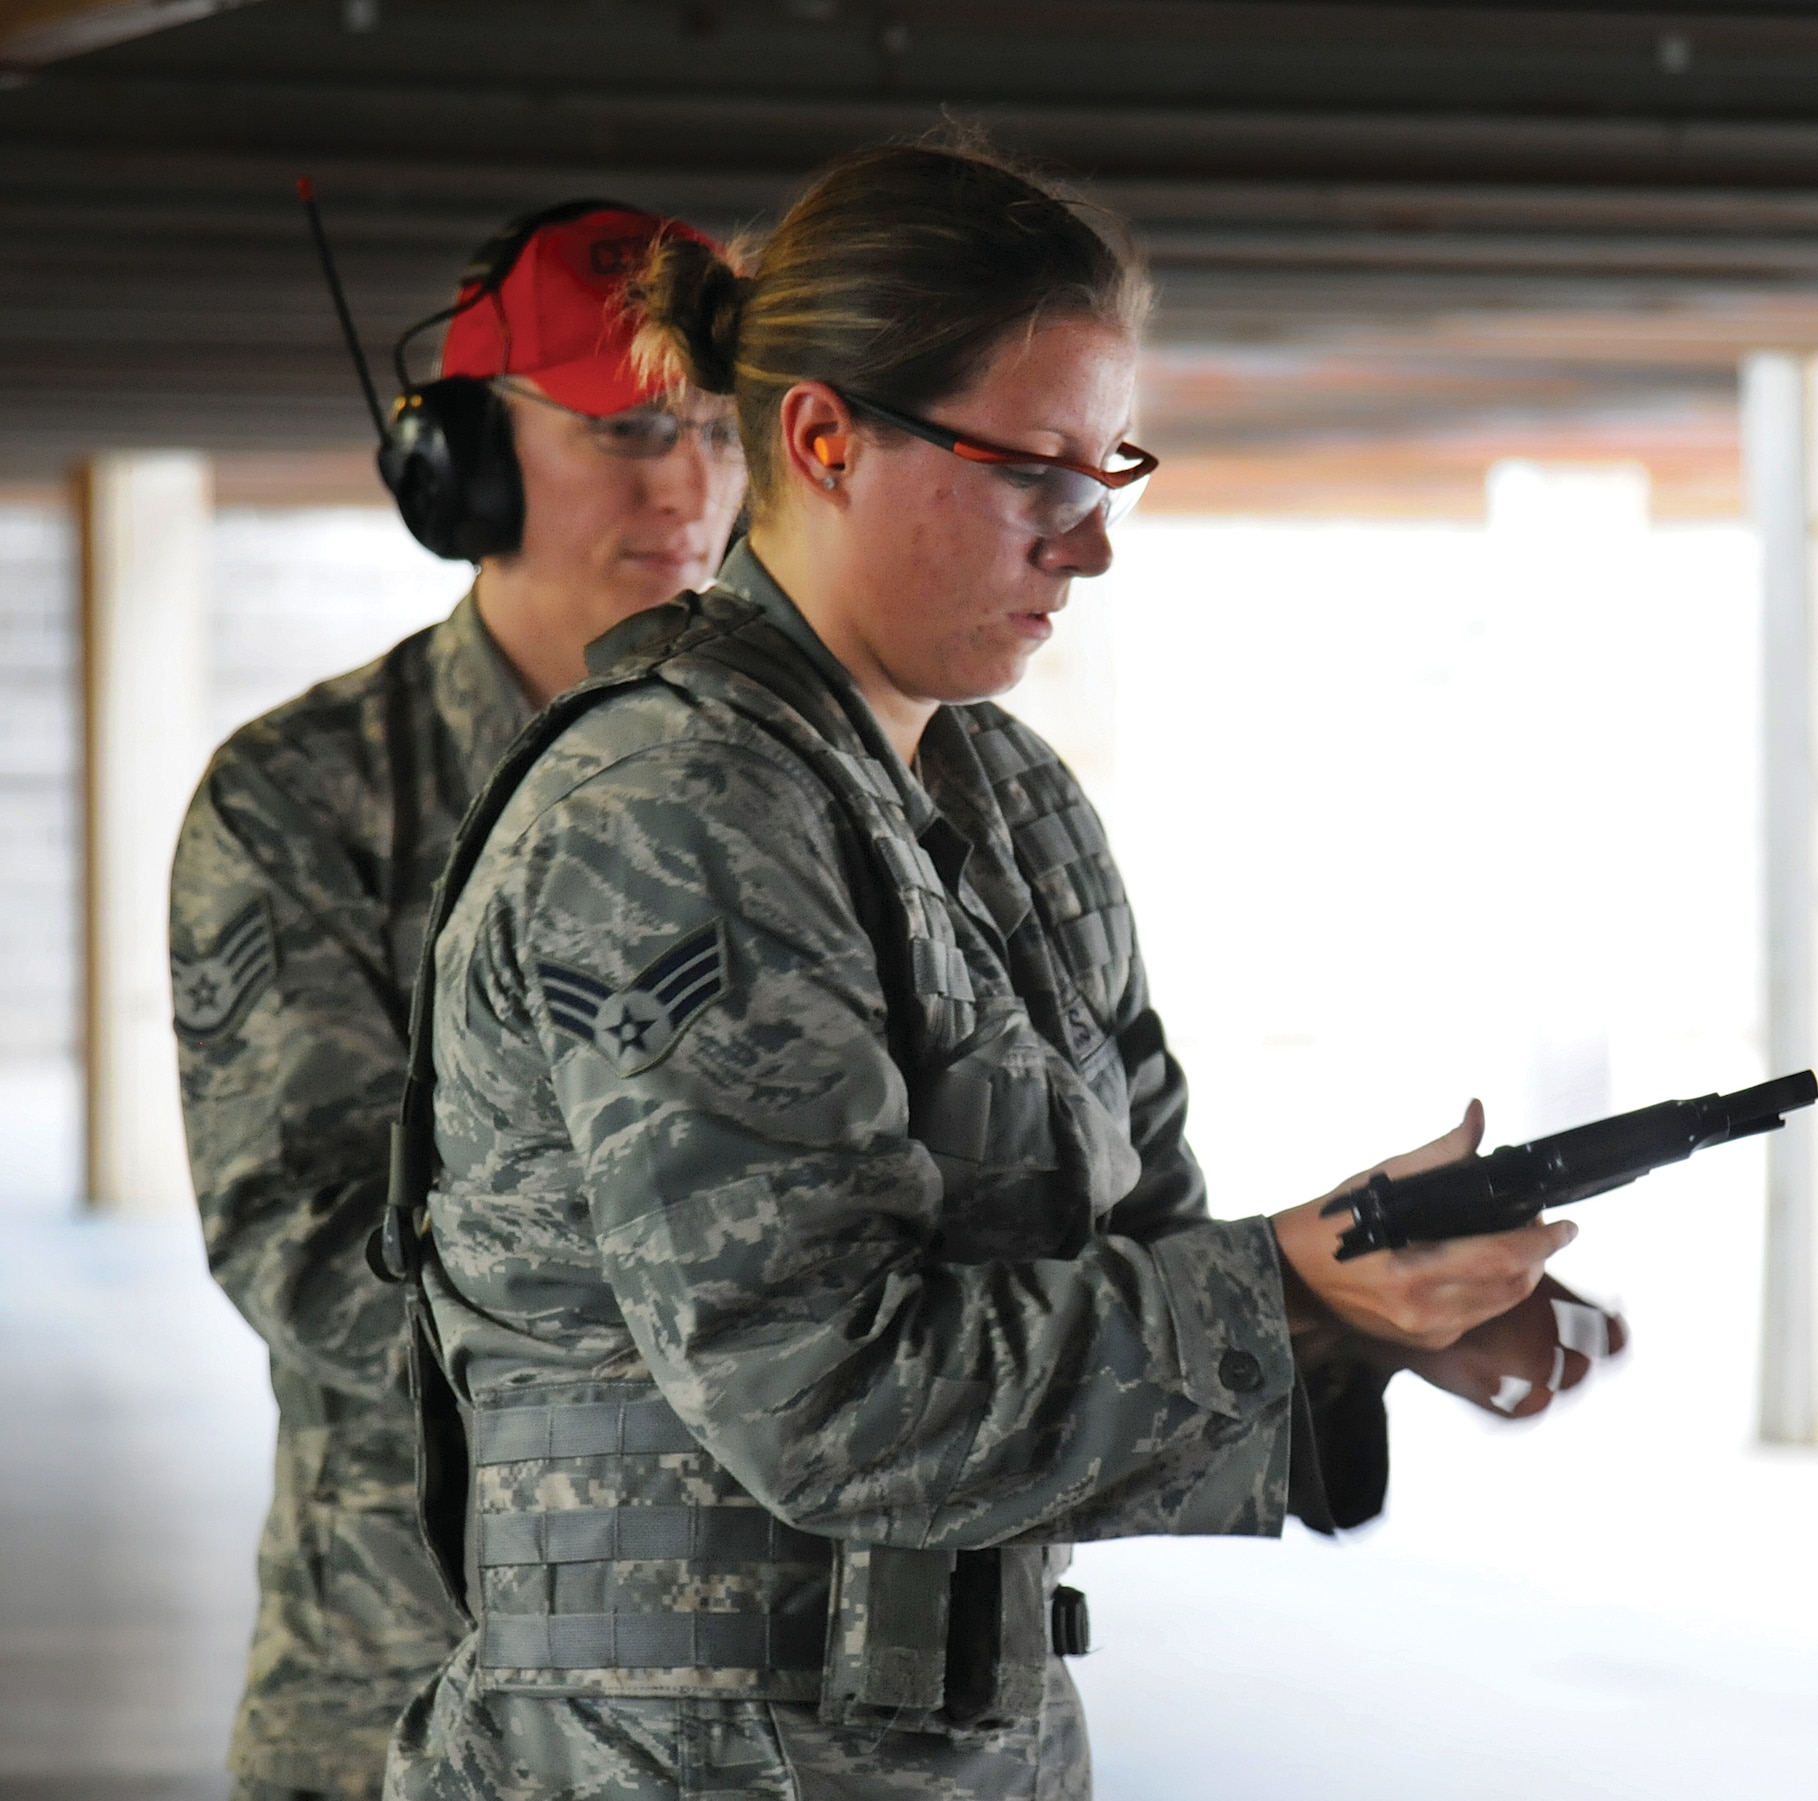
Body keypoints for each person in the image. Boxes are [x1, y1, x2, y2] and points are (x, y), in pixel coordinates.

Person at [383, 141, 1624, 1801]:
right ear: (823, 439)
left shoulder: (1008, 801)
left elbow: (1122, 1271)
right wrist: (1285, 1287)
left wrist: (1372, 1316)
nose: (1091, 541)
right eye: (1036, 467)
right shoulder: (671, 813)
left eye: (1112, 468)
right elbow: (827, 1392)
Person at [169, 202, 748, 1801]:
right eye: (629, 429)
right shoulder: (305, 795)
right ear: (465, 464)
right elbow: (304, 1234)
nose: (690, 484)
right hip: (411, 1668)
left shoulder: (799, 792)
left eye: (718, 428)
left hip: (755, 1708)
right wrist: (754, 1363)